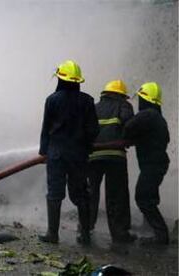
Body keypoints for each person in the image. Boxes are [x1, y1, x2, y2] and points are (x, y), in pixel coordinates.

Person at [38, 60, 99, 244]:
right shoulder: (87, 101)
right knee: (80, 194)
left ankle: (52, 234)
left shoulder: (52, 100)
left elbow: (45, 129)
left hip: (56, 154)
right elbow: (94, 129)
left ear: (60, 80)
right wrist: (87, 146)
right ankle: (85, 235)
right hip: (79, 156)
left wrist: (43, 152)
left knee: (55, 193)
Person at [88, 80, 136, 243]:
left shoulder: (93, 108)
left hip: (93, 157)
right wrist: (129, 138)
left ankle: (86, 228)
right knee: (116, 194)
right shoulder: (124, 106)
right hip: (115, 157)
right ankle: (120, 233)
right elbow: (130, 124)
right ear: (121, 95)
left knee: (91, 193)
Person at [123, 82, 170, 245]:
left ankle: (161, 235)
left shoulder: (147, 115)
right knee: (150, 195)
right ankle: (148, 227)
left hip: (152, 164)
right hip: (157, 163)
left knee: (143, 197)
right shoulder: (158, 118)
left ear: (145, 99)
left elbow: (128, 127)